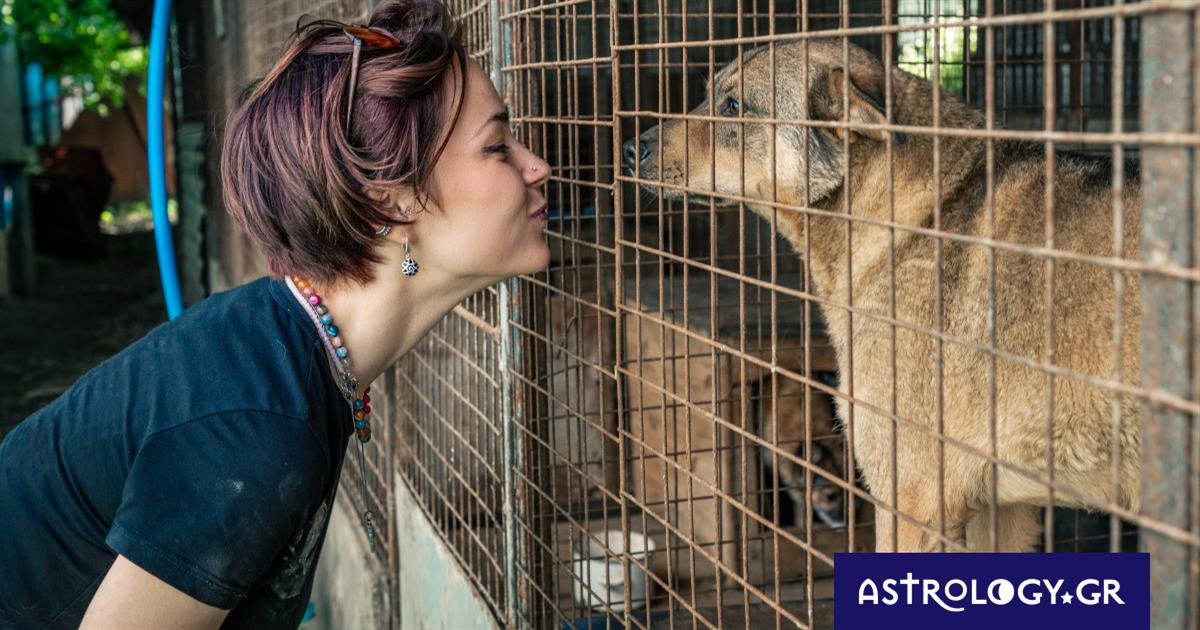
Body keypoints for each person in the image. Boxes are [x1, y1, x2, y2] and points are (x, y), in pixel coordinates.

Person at [0, 1, 551, 627]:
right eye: (498, 146)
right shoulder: (256, 425)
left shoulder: (285, 352)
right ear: (390, 198)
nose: (539, 166)